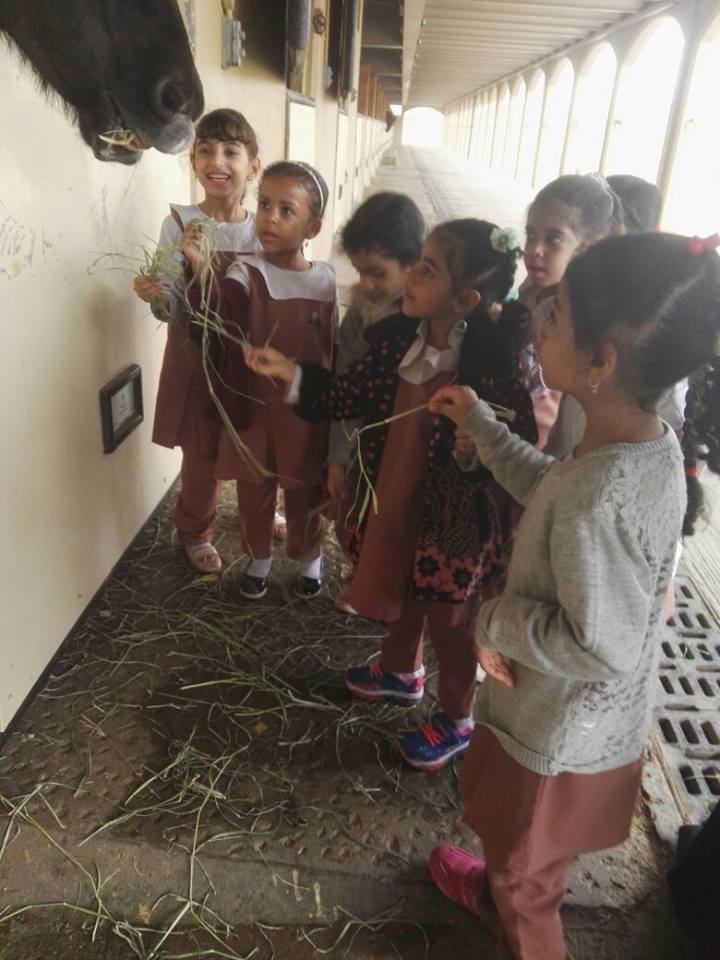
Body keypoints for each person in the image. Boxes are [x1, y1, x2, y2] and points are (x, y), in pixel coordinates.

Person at [426, 231, 720, 959]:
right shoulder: (648, 443)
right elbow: (553, 487)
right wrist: (482, 427)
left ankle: (514, 907)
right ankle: (501, 889)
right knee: (530, 860)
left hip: (552, 731)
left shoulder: (599, 496)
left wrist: (495, 620)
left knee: (526, 878)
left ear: (601, 361)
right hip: (588, 724)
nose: (538, 323)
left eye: (555, 317)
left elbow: (600, 643)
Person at [243, 219, 537, 770]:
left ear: (465, 299)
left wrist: (475, 446)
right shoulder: (398, 341)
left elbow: (518, 438)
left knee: (450, 622)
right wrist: (287, 371)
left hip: (453, 524)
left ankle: (458, 717)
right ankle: (400, 671)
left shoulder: (494, 366)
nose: (410, 278)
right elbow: (345, 395)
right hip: (394, 495)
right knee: (396, 582)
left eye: (426, 270)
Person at [181, 160, 337, 600]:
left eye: (287, 210)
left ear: (313, 227)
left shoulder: (326, 280)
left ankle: (309, 558)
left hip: (304, 408)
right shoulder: (246, 272)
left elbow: (334, 347)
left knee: (306, 487)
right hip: (254, 406)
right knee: (255, 487)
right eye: (264, 204)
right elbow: (219, 307)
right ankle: (260, 558)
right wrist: (200, 268)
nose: (270, 218)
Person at [133, 108, 261, 574]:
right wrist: (155, 295)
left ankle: (259, 519)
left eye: (231, 151)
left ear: (253, 166)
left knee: (254, 445)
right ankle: (195, 529)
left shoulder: (262, 228)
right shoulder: (179, 223)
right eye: (204, 151)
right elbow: (169, 306)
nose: (216, 161)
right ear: (193, 163)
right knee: (201, 451)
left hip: (248, 358)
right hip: (197, 360)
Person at [330, 191, 425, 613]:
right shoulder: (361, 311)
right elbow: (345, 383)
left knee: (400, 515)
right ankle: (363, 573)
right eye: (360, 271)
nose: (366, 284)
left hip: (411, 438)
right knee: (354, 512)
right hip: (366, 438)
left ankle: (391, 583)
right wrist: (338, 457)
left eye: (377, 273)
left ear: (414, 262)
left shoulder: (433, 315)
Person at [520, 173, 623, 447]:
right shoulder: (531, 291)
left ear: (586, 248)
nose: (535, 250)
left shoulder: (583, 317)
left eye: (553, 239)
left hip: (550, 437)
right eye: (531, 235)